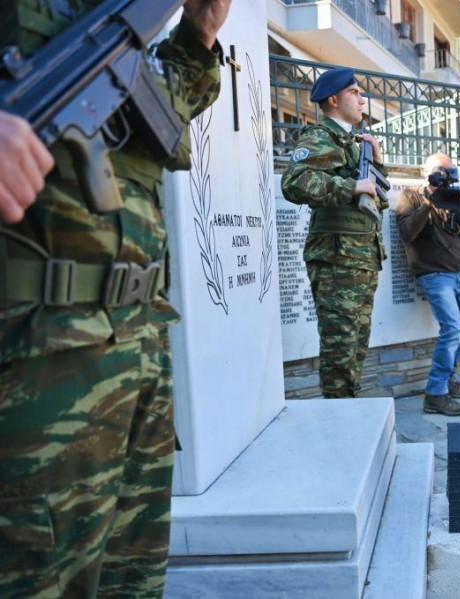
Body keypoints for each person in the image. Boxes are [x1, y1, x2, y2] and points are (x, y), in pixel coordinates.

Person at [0, 1, 229, 596]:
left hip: (139, 341)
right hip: (38, 359)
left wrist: (197, 37)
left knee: (133, 578)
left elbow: (162, 124)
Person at [281, 68, 388, 398]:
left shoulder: (355, 144)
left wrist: (378, 165)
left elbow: (377, 201)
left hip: (361, 260)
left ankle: (349, 414)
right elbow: (293, 183)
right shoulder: (319, 138)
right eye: (354, 92)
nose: (362, 99)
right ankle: (340, 422)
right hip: (337, 263)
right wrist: (351, 185)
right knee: (339, 352)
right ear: (333, 99)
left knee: (355, 349)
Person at [395, 153, 460, 416]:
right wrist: (429, 203)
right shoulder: (411, 196)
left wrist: (459, 207)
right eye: (440, 171)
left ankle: (446, 378)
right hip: (434, 275)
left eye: (449, 171)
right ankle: (436, 392)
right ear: (427, 172)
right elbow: (407, 232)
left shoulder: (454, 196)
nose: (446, 175)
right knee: (452, 329)